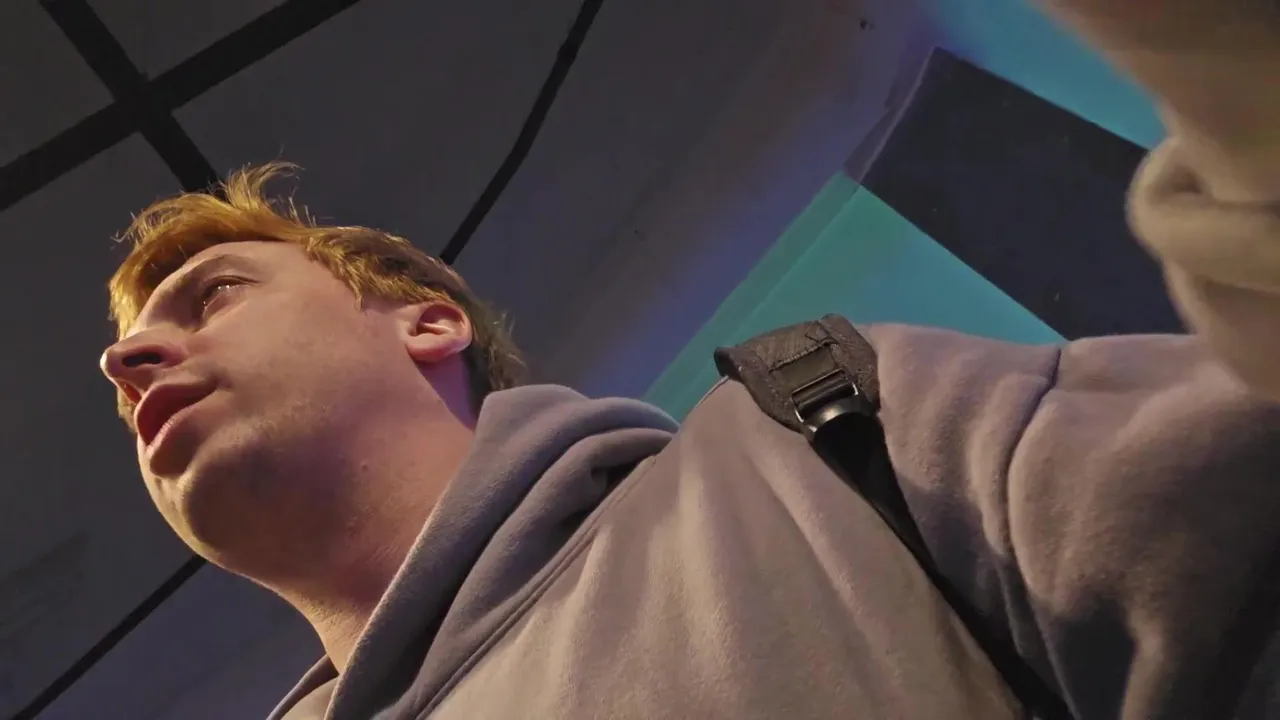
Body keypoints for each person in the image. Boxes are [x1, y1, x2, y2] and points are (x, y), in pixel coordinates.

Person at [99, 1, 1280, 718]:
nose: (132, 360)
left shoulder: (824, 432)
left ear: (426, 323)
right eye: (130, 353)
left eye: (214, 296)